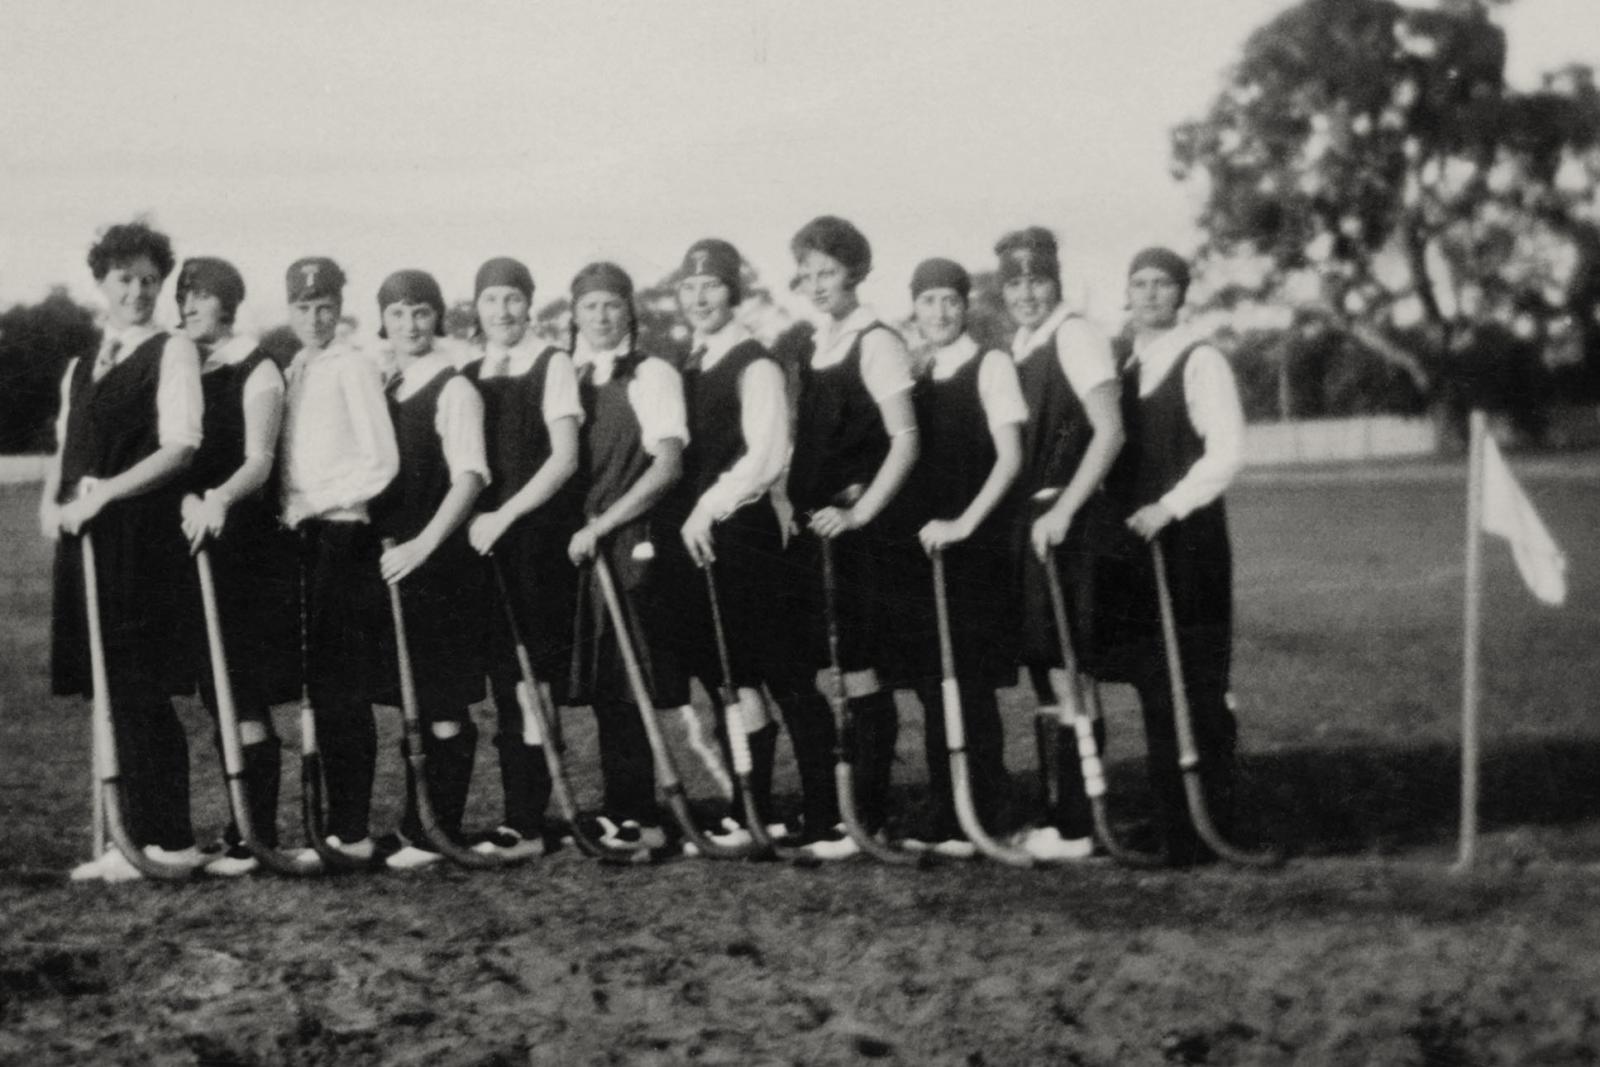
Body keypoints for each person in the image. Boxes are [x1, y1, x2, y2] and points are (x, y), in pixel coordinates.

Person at [45, 220, 205, 882]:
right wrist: (52, 505)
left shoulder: (173, 352)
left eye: (149, 280)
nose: (138, 291)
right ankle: (125, 836)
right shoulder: (83, 366)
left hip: (142, 540)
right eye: (125, 280)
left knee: (139, 685)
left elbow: (181, 446)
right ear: (102, 284)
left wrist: (106, 493)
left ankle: (167, 838)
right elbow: (67, 450)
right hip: (87, 538)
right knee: (106, 686)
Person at [777, 215, 920, 859]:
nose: (816, 286)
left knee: (862, 672)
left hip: (860, 535)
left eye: (827, 273)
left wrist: (862, 515)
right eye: (807, 275)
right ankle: (833, 814)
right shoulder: (813, 344)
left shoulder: (877, 341)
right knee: (816, 666)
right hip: (814, 532)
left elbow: (906, 440)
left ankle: (867, 817)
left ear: (856, 272)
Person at [1103, 246, 1245, 867]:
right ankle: (1172, 821)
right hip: (1137, 546)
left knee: (1200, 682)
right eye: (1141, 283)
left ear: (1182, 293)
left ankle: (1212, 821)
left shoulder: (1200, 359)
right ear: (1127, 293)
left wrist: (1171, 506)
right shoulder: (1124, 364)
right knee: (1157, 686)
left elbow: (1227, 452)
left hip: (1190, 546)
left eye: (1164, 284)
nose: (1152, 294)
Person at [890, 258, 1028, 857]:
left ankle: (984, 812)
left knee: (968, 684)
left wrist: (966, 524)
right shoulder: (919, 378)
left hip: (977, 547)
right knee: (930, 684)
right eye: (928, 302)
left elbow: (1010, 458)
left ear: (965, 305)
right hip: (928, 550)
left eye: (950, 300)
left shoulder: (990, 365)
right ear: (914, 311)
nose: (940, 313)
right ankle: (948, 810)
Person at [996, 226, 1125, 862]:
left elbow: (1109, 431)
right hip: (1033, 523)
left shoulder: (1076, 334)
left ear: (1056, 281)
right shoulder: (1022, 346)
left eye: (1036, 280)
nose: (1025, 292)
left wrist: (1068, 509)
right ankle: (1061, 817)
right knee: (1046, 670)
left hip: (1070, 523)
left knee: (1072, 671)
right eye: (1014, 282)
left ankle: (1082, 824)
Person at [172, 257, 297, 877]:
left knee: (242, 688)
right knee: (216, 692)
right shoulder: (186, 366)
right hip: (194, 543)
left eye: (203, 297)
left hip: (244, 547)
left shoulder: (258, 368)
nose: (191, 307)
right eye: (186, 297)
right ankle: (240, 826)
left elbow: (260, 460)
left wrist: (217, 498)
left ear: (230, 303)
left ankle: (258, 832)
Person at [666, 238, 793, 843]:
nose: (699, 298)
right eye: (689, 288)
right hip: (700, 533)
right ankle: (746, 804)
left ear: (733, 291)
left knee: (745, 672)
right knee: (721, 674)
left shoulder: (755, 362)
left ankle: (756, 807)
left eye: (711, 285)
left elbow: (765, 455)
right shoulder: (692, 362)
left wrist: (708, 508)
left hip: (739, 530)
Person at [367, 270, 492, 870]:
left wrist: (423, 545)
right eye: (397, 314)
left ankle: (439, 829)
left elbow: (469, 477)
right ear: (383, 323)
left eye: (420, 312)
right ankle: (417, 823)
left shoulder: (453, 388)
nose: (410, 325)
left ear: (436, 317)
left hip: (440, 566)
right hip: (398, 564)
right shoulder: (387, 388)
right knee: (413, 694)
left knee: (443, 699)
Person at [278, 256, 399, 868]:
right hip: (302, 532)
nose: (315, 317)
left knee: (341, 687)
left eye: (325, 305)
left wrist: (312, 506)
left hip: (342, 533)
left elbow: (380, 462)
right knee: (317, 685)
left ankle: (350, 829)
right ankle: (325, 827)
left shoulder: (353, 365)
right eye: (303, 306)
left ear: (340, 307)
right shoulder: (295, 367)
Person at [460, 257, 583, 861]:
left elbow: (563, 459)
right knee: (506, 684)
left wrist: (506, 517)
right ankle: (521, 817)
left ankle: (531, 821)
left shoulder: (551, 362)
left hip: (536, 542)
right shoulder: (468, 370)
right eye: (491, 300)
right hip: (485, 545)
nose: (503, 311)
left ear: (529, 304)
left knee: (533, 681)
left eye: (513, 299)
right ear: (477, 307)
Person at [565, 261, 689, 851]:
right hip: (588, 546)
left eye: (612, 304)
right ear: (575, 315)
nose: (602, 316)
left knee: (629, 680)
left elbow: (668, 466)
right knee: (606, 686)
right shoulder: (570, 377)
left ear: (630, 311)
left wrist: (606, 524)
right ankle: (622, 807)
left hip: (631, 538)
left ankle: (644, 813)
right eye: (590, 306)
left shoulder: (652, 373)